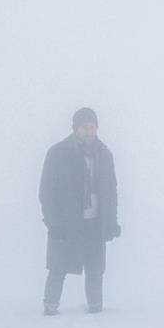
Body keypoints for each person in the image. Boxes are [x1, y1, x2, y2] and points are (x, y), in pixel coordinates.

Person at [39, 106, 120, 315]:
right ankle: (50, 307)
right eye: (84, 127)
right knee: (58, 267)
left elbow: (111, 191)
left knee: (95, 268)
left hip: (95, 221)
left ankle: (96, 309)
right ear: (75, 128)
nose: (89, 132)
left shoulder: (104, 154)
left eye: (92, 127)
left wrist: (111, 222)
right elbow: (46, 191)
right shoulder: (58, 153)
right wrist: (53, 223)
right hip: (66, 222)